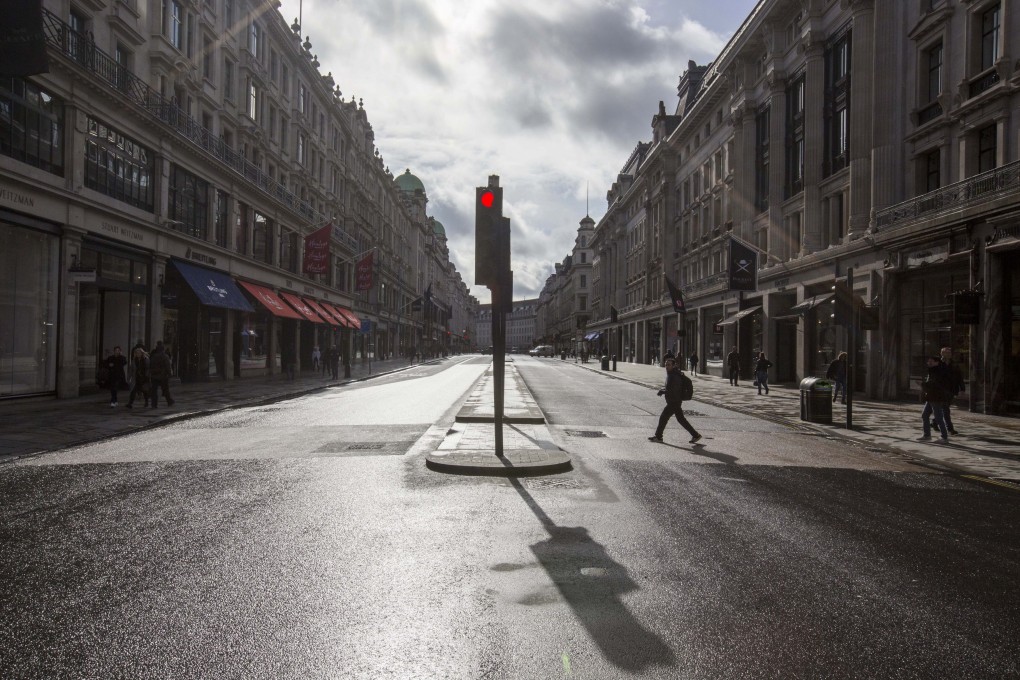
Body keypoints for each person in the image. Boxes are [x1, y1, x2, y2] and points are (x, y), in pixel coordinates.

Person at [648, 358, 702, 445]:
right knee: (681, 420)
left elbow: (673, 390)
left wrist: (663, 391)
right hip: (675, 401)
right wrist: (663, 390)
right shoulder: (672, 374)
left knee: (663, 417)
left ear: (674, 365)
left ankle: (658, 436)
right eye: (666, 364)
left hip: (674, 402)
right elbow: (670, 388)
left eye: (669, 365)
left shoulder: (674, 376)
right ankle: (695, 435)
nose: (667, 366)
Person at [931, 347, 964, 436]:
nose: (948, 354)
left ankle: (934, 422)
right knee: (946, 410)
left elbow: (959, 377)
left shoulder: (954, 364)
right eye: (946, 353)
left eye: (949, 353)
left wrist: (962, 388)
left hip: (951, 390)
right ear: (942, 354)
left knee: (944, 408)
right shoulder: (937, 364)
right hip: (941, 391)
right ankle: (950, 429)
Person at [920, 355, 951, 442]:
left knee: (938, 417)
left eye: (931, 361)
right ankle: (927, 435)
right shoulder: (932, 371)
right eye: (928, 361)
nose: (929, 362)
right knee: (925, 415)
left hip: (936, 397)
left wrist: (923, 384)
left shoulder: (938, 372)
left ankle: (944, 437)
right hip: (931, 397)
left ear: (937, 362)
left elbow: (935, 385)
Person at [148, 341, 175, 408]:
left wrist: (151, 372)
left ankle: (154, 404)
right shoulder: (165, 356)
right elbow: (167, 366)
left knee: (154, 390)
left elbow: (150, 365)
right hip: (163, 375)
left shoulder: (153, 356)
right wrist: (169, 374)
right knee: (165, 389)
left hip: (154, 375)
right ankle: (169, 401)